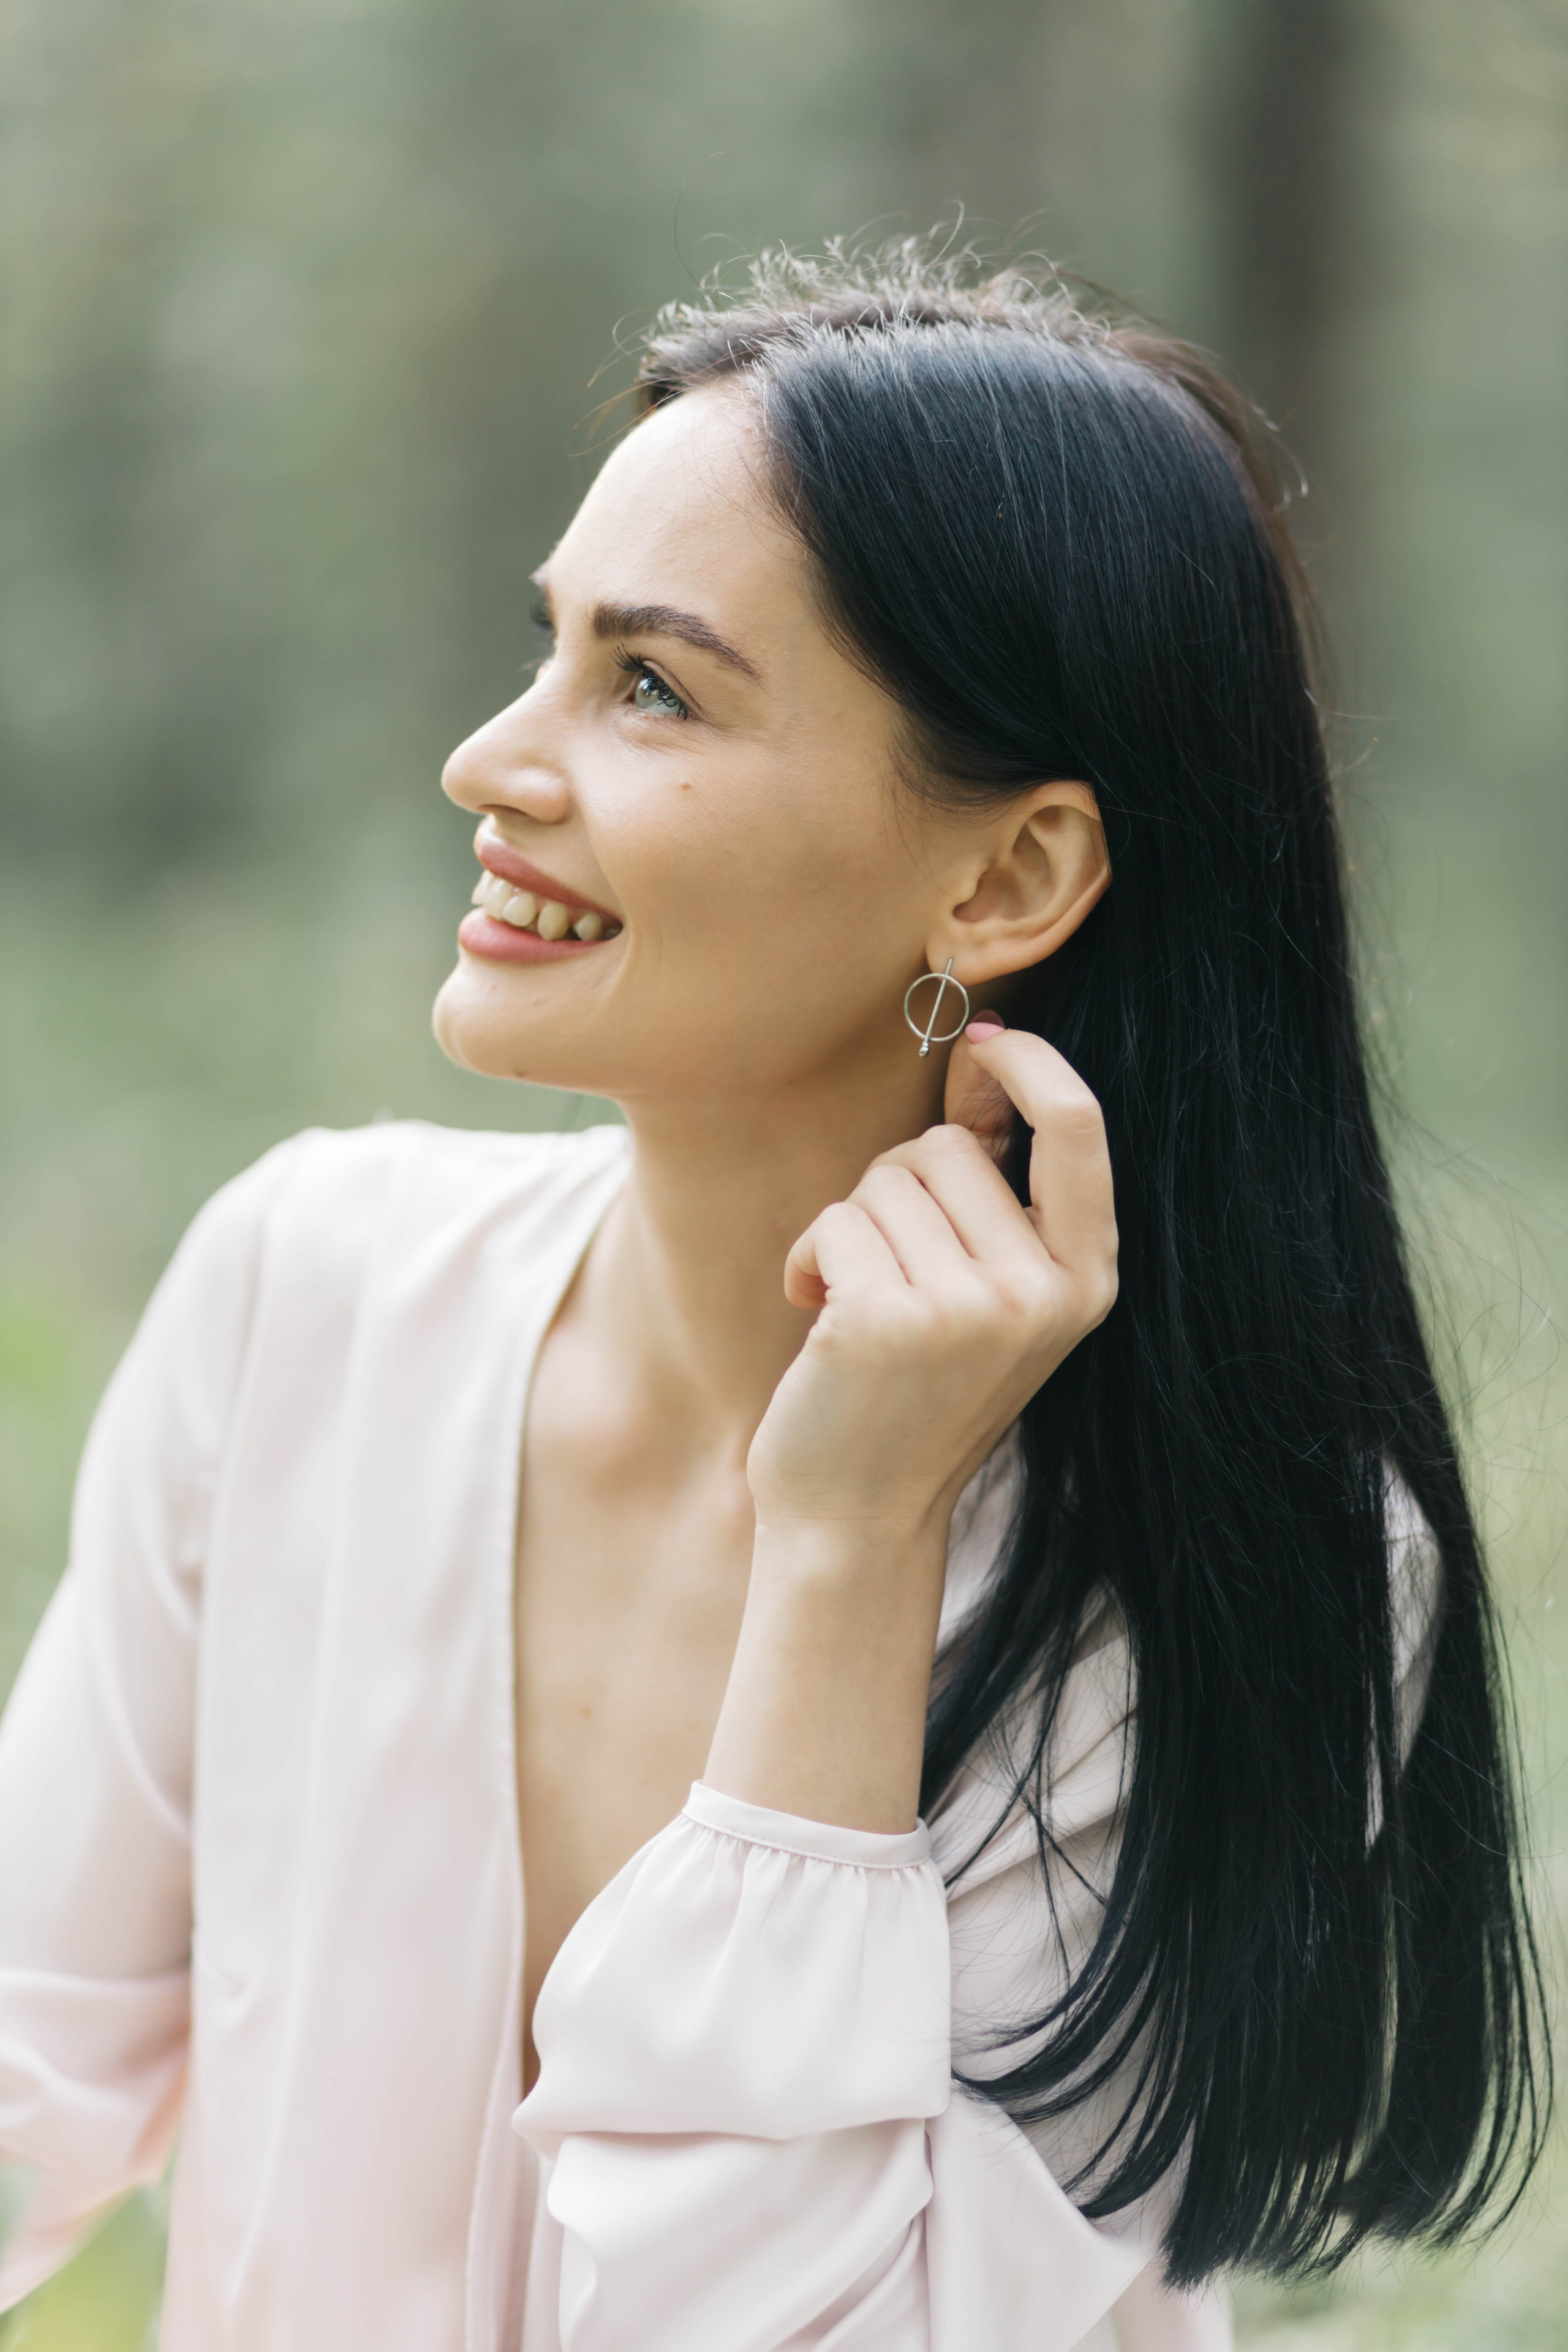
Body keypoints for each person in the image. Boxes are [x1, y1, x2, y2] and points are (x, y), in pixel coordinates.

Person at [0, 244, 1545, 2351]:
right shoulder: (306, 1297)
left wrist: (848, 1544)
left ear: (1006, 880)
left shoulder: (1239, 1565)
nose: (489, 761)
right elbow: (25, 2074)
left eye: (652, 688)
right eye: (541, 652)